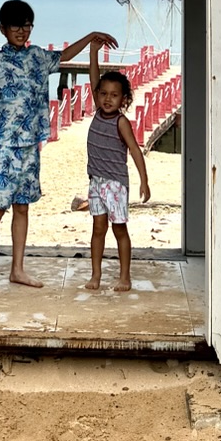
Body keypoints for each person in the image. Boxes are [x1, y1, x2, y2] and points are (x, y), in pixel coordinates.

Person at [0, 1, 116, 294]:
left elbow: (63, 56)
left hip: (30, 147)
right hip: (5, 147)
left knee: (22, 208)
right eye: (15, 25)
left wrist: (90, 38)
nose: (22, 31)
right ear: (2, 29)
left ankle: (17, 269)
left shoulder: (38, 57)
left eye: (27, 25)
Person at [84, 44, 151, 293]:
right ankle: (96, 275)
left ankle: (125, 276)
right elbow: (94, 76)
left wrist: (144, 181)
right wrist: (93, 53)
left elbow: (135, 150)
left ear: (123, 99)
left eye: (114, 95)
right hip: (95, 182)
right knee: (97, 229)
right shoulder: (97, 112)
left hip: (115, 184)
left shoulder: (121, 122)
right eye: (103, 94)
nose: (107, 99)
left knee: (119, 229)